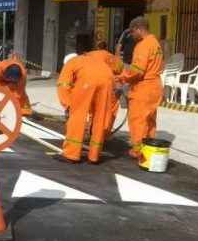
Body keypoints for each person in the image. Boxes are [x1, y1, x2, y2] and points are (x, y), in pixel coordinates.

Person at [53, 33, 116, 164]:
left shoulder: (73, 62)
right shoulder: (99, 58)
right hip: (108, 79)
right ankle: (94, 156)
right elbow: (118, 68)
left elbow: (63, 85)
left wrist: (68, 105)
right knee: (100, 117)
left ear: (77, 48)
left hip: (89, 81)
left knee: (78, 115)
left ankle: (71, 154)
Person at [116, 16, 164, 159]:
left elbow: (137, 70)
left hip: (143, 87)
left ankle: (138, 151)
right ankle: (149, 150)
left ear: (138, 29)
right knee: (149, 120)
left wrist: (121, 77)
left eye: (132, 32)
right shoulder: (155, 43)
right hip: (155, 85)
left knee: (138, 120)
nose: (132, 35)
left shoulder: (143, 45)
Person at [87, 40, 124, 135]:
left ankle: (91, 130)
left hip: (91, 85)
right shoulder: (110, 57)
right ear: (106, 47)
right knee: (109, 111)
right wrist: (117, 53)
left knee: (93, 110)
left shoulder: (88, 56)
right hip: (108, 87)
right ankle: (104, 133)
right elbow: (119, 68)